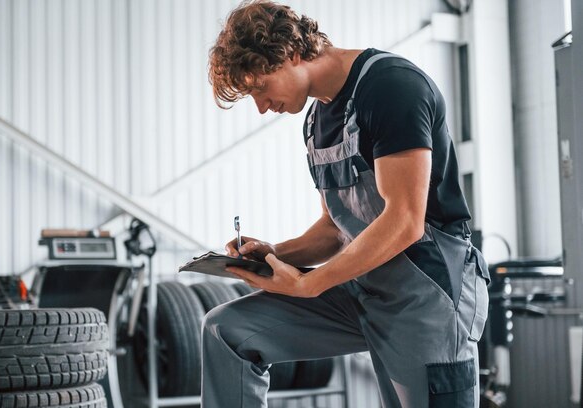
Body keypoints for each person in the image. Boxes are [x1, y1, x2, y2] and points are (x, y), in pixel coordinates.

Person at [203, 1, 490, 407]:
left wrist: (308, 283)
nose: (262, 106)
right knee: (226, 329)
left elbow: (405, 220)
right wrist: (272, 254)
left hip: (428, 294)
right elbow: (335, 229)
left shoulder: (391, 87)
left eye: (260, 89)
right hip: (363, 288)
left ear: (290, 53)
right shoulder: (315, 121)